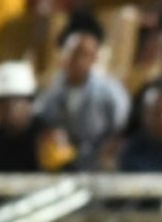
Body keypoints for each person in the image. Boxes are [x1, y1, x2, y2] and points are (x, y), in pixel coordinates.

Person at [33, 11, 131, 171]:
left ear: (94, 58)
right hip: (64, 163)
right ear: (64, 56)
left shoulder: (110, 91)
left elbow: (122, 128)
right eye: (73, 54)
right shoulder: (53, 89)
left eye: (84, 54)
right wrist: (51, 135)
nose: (78, 60)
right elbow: (41, 120)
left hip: (100, 163)